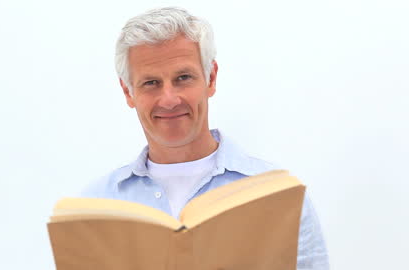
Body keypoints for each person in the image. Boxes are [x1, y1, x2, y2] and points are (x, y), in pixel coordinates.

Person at [82, 7, 329, 269]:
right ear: (128, 91)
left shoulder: (280, 200)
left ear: (210, 78)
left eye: (183, 78)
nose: (169, 99)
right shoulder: (96, 207)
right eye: (151, 83)